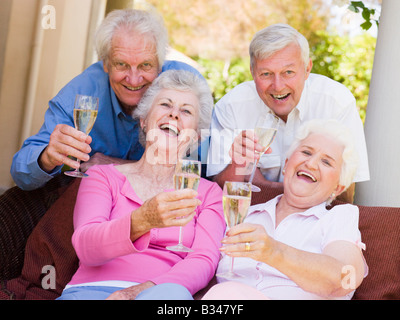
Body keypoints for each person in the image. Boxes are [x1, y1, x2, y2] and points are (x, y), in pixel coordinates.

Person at [57, 70, 225, 300]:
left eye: (186, 111)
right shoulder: (102, 177)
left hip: (161, 295)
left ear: (195, 136)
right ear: (144, 121)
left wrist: (139, 291)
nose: (174, 114)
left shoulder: (209, 194)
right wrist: (142, 220)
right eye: (165, 105)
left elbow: (203, 261)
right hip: (90, 291)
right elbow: (86, 248)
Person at [11, 9, 203, 191]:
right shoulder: (82, 93)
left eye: (145, 65)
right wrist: (47, 157)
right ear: (105, 64)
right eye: (122, 64)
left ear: (160, 65)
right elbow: (21, 173)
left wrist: (116, 166)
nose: (134, 79)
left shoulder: (186, 87)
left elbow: (205, 170)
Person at [203, 119, 368, 300]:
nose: (311, 164)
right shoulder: (244, 214)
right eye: (306, 152)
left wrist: (273, 251)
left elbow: (345, 279)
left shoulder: (338, 217)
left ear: (338, 188)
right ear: (287, 164)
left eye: (327, 162)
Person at [206, 23, 369, 202]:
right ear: (252, 72)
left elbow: (345, 189)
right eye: (266, 74)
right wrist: (238, 165)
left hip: (317, 218)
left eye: (288, 72)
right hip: (251, 214)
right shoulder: (231, 106)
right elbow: (219, 187)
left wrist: (261, 183)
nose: (278, 86)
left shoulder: (336, 103)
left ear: (307, 69)